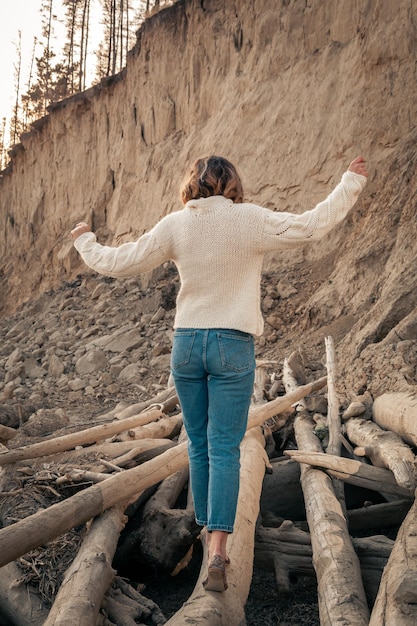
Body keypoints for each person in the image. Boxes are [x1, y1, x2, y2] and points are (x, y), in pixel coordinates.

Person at [71, 154, 368, 592]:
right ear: (232, 183)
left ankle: (205, 530)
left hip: (187, 346)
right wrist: (349, 183)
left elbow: (121, 261)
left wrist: (84, 241)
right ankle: (217, 552)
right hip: (232, 345)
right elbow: (309, 226)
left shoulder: (176, 225)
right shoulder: (248, 219)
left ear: (192, 184)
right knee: (226, 448)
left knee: (200, 446)